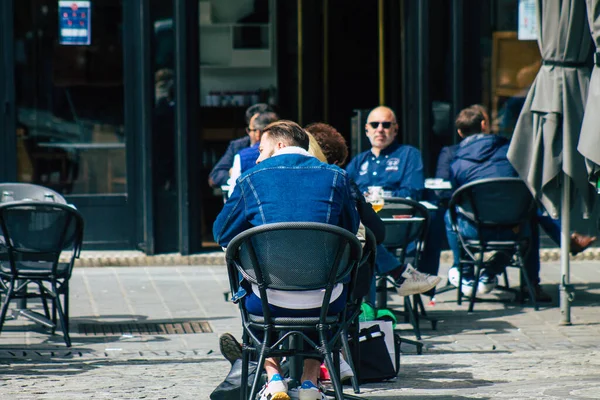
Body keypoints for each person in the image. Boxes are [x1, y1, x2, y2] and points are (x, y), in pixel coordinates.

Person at [214, 120, 359, 400]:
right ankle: (309, 382)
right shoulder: (337, 176)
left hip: (267, 300)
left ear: (280, 145)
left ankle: (274, 377)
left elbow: (221, 233)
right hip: (326, 299)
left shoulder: (252, 177)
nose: (257, 156)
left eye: (261, 148)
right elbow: (349, 231)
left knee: (250, 283)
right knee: (326, 285)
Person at [442, 105, 595, 301]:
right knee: (529, 213)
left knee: (450, 214)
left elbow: (452, 195)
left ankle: (464, 272)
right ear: (484, 124)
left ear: (460, 132)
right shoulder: (510, 153)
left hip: (476, 230)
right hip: (514, 229)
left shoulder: (456, 162)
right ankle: (529, 284)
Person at [345, 106, 441, 297]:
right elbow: (345, 192)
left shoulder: (408, 155)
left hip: (396, 226)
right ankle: (400, 274)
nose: (380, 129)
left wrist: (377, 195)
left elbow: (412, 192)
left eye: (386, 124)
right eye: (375, 124)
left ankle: (369, 311)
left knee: (361, 238)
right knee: (361, 236)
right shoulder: (358, 161)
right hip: (365, 226)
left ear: (395, 129)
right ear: (366, 130)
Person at [208, 103, 274, 188]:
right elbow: (214, 177)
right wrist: (233, 172)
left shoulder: (281, 146)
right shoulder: (238, 146)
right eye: (250, 129)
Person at [227, 111, 279, 189]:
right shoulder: (284, 151)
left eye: (250, 130)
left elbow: (233, 192)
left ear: (257, 133)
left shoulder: (241, 156)